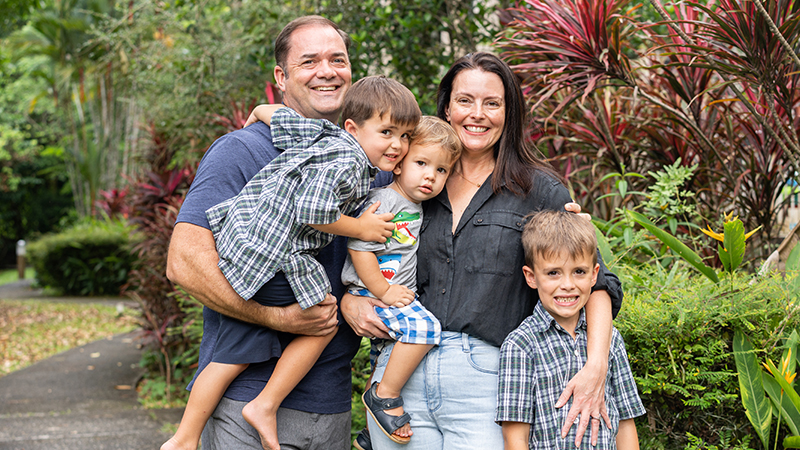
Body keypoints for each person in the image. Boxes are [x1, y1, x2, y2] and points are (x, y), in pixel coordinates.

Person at [341, 52, 624, 450]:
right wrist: (349, 301)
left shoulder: (539, 191)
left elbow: (595, 283)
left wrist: (596, 366)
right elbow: (349, 243)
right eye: (464, 101)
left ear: (509, 113)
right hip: (397, 378)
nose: (477, 114)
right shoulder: (408, 178)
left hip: (487, 380)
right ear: (446, 107)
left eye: (492, 103)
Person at [166, 15, 392, 450]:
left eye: (337, 59)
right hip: (243, 402)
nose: (327, 70)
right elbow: (184, 263)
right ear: (281, 76)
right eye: (309, 61)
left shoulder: (371, 162)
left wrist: (560, 213)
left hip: (330, 406)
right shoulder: (243, 150)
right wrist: (276, 317)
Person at [338, 116, 461, 447]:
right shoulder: (385, 201)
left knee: (384, 356)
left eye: (441, 170)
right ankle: (384, 395)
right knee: (425, 329)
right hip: (374, 291)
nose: (429, 176)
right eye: (421, 163)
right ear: (398, 164)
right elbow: (359, 247)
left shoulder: (417, 205)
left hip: (389, 292)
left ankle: (370, 430)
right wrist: (383, 290)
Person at [497, 210, 645, 449]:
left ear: (595, 274)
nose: (567, 285)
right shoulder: (520, 345)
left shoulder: (611, 339)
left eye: (579, 272)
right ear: (531, 276)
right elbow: (515, 438)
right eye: (553, 273)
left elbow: (626, 423)